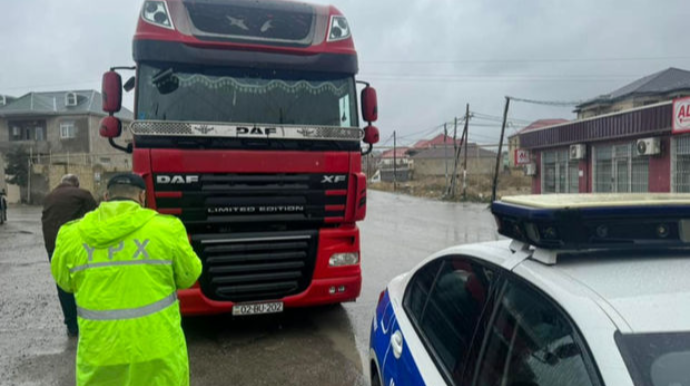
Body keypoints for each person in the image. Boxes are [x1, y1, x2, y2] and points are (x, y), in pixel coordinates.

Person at [50, 173, 202, 386]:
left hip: (99, 355)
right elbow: (189, 275)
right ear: (142, 197)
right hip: (158, 352)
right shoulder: (167, 229)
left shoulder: (71, 234)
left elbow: (64, 282)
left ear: (105, 197)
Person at [42, 174, 97, 336]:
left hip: (53, 245)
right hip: (76, 245)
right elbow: (95, 218)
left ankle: (71, 324)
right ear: (76, 184)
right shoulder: (82, 195)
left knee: (63, 283)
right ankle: (89, 320)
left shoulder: (48, 197)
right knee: (86, 280)